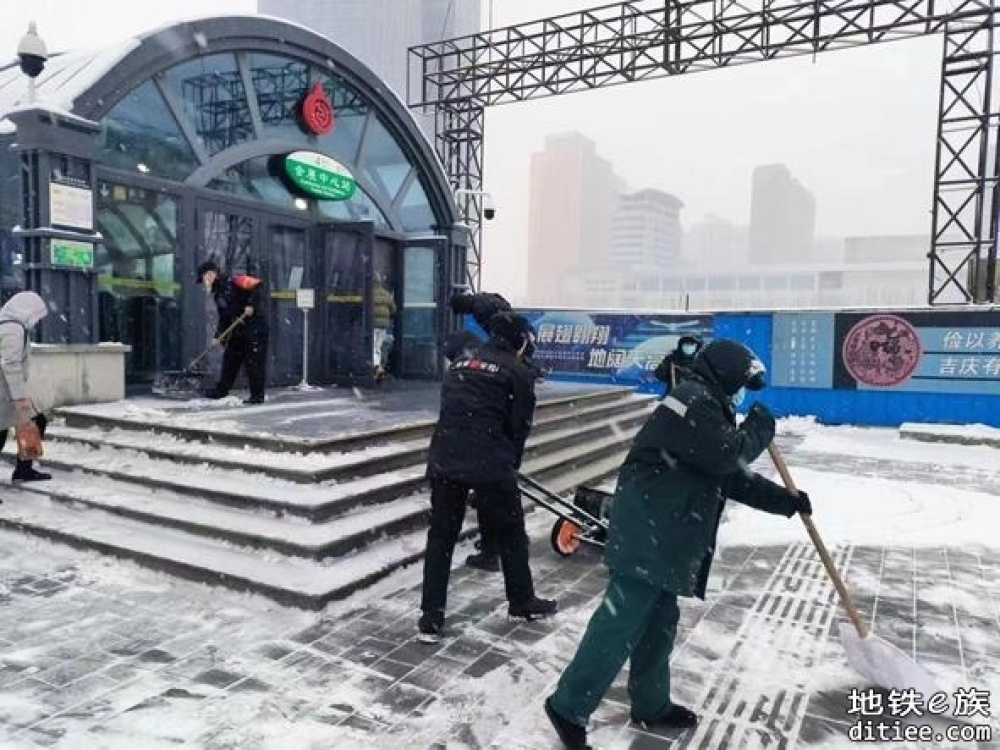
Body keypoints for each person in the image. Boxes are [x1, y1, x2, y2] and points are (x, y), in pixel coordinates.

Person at [544, 339, 813, 749]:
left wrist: (785, 502)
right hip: (647, 532)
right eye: (742, 384)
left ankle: (651, 705)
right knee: (618, 626)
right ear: (726, 375)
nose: (742, 393)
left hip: (665, 534)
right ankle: (567, 706)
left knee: (658, 625)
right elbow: (728, 456)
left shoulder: (706, 403)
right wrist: (759, 426)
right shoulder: (692, 402)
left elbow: (728, 473)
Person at [418, 311, 557, 642]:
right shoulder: (518, 371)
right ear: (520, 340)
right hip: (490, 462)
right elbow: (519, 427)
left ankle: (430, 618)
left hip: (445, 460)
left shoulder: (460, 366)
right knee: (511, 532)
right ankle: (521, 601)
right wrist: (510, 464)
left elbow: (449, 412)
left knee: (441, 539)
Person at [196, 260, 269, 405]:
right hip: (238, 331)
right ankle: (221, 391)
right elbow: (224, 319)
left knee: (254, 364)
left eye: (204, 278)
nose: (204, 283)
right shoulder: (218, 295)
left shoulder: (236, 281)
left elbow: (258, 285)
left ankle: (257, 395)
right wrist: (218, 337)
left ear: (211, 274)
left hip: (254, 328)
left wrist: (251, 305)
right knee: (230, 360)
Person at [0, 291, 52, 485]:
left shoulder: (5, 323)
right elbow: (10, 364)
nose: (36, 321)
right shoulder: (13, 329)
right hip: (6, 393)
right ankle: (24, 469)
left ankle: (24, 469)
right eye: (36, 315)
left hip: (8, 392)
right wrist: (20, 398)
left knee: (36, 421)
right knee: (36, 422)